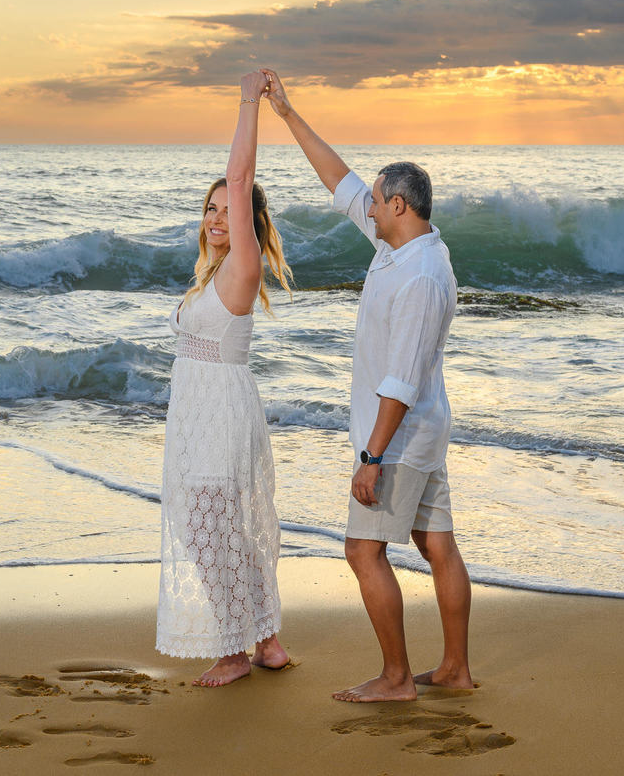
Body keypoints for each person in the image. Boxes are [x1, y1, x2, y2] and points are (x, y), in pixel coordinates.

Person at [262, 68, 472, 702]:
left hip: (400, 437)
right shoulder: (398, 245)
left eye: (378, 201)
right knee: (436, 542)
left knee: (361, 551)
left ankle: (397, 678)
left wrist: (372, 458)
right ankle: (456, 671)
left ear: (399, 207)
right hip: (422, 430)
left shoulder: (421, 278)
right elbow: (340, 178)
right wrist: (287, 113)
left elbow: (400, 381)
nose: (369, 206)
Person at [156, 71, 293, 687]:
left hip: (218, 412)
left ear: (248, 219)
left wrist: (246, 102)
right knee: (219, 524)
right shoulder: (209, 278)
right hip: (204, 410)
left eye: (228, 209)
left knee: (205, 524)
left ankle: (235, 648)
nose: (217, 216)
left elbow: (240, 178)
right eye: (209, 209)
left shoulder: (242, 267)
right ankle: (265, 641)